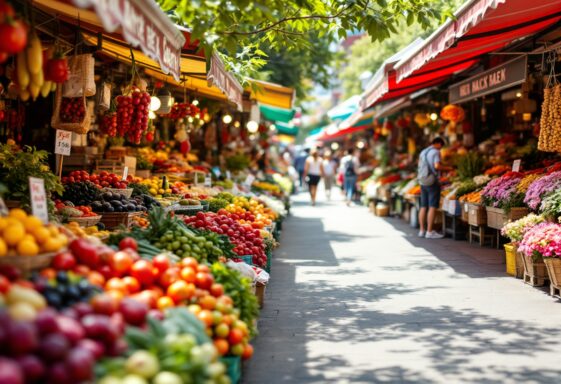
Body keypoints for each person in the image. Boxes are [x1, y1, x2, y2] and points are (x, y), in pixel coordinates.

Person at [417, 137, 451, 239]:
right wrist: (448, 168)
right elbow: (437, 166)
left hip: (422, 180)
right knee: (432, 206)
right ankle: (429, 231)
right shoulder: (435, 152)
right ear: (438, 144)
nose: (440, 149)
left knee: (423, 206)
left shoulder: (423, 152)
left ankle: (422, 230)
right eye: (441, 146)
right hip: (432, 181)